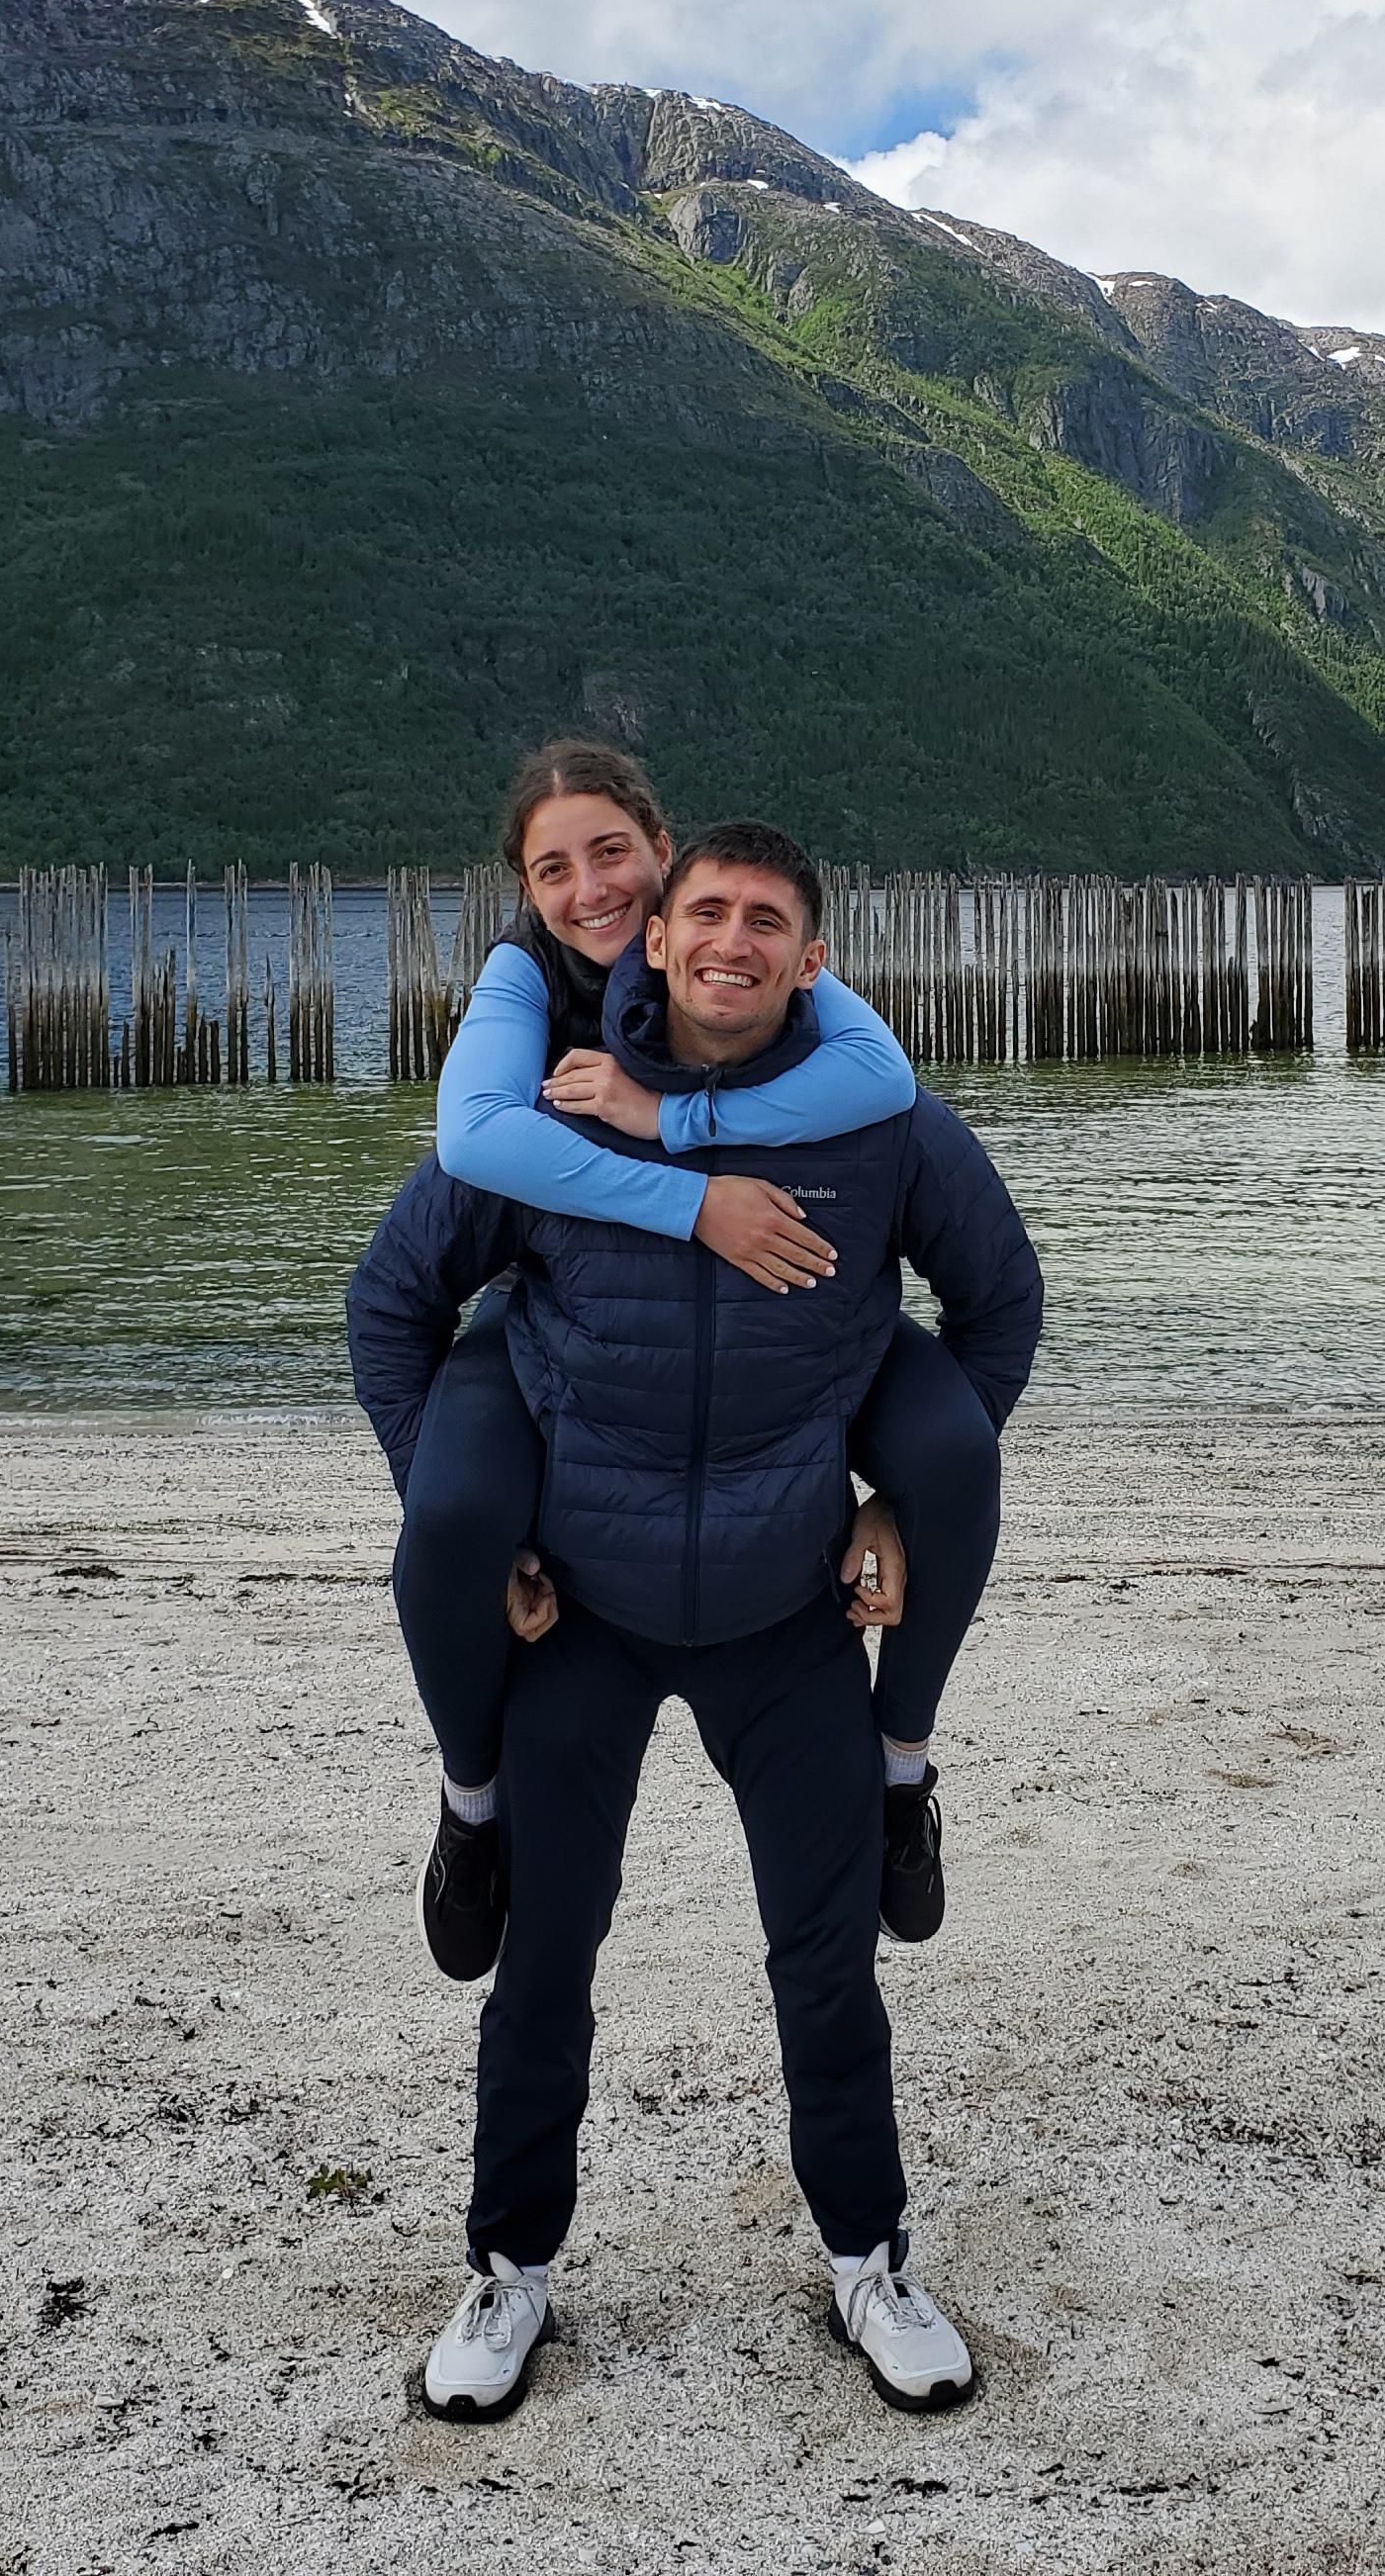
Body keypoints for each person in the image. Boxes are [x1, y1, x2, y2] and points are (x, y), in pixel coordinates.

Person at [348, 820, 1043, 2419]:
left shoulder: (881, 1125)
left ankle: (868, 2257)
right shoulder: (547, 1117)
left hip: (782, 1610)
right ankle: (508, 2267)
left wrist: (895, 1502)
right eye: (706, 912)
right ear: (652, 935)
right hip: (582, 1615)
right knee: (545, 1959)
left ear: (814, 958)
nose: (733, 940)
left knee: (825, 1961)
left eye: (767, 921)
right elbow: (393, 1299)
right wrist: (474, 1532)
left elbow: (998, 1302)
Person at [396, 743, 999, 1984]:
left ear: (662, 857)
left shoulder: (752, 954)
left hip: (791, 1337)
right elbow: (472, 1142)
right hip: (571, 1313)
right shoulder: (523, 977)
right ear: (526, 889)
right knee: (450, 1514)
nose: (590, 890)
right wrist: (694, 1203)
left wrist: (674, 1117)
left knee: (952, 1454)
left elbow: (884, 1081)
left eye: (613, 852)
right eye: (552, 868)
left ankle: (902, 1774)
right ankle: (470, 1808)